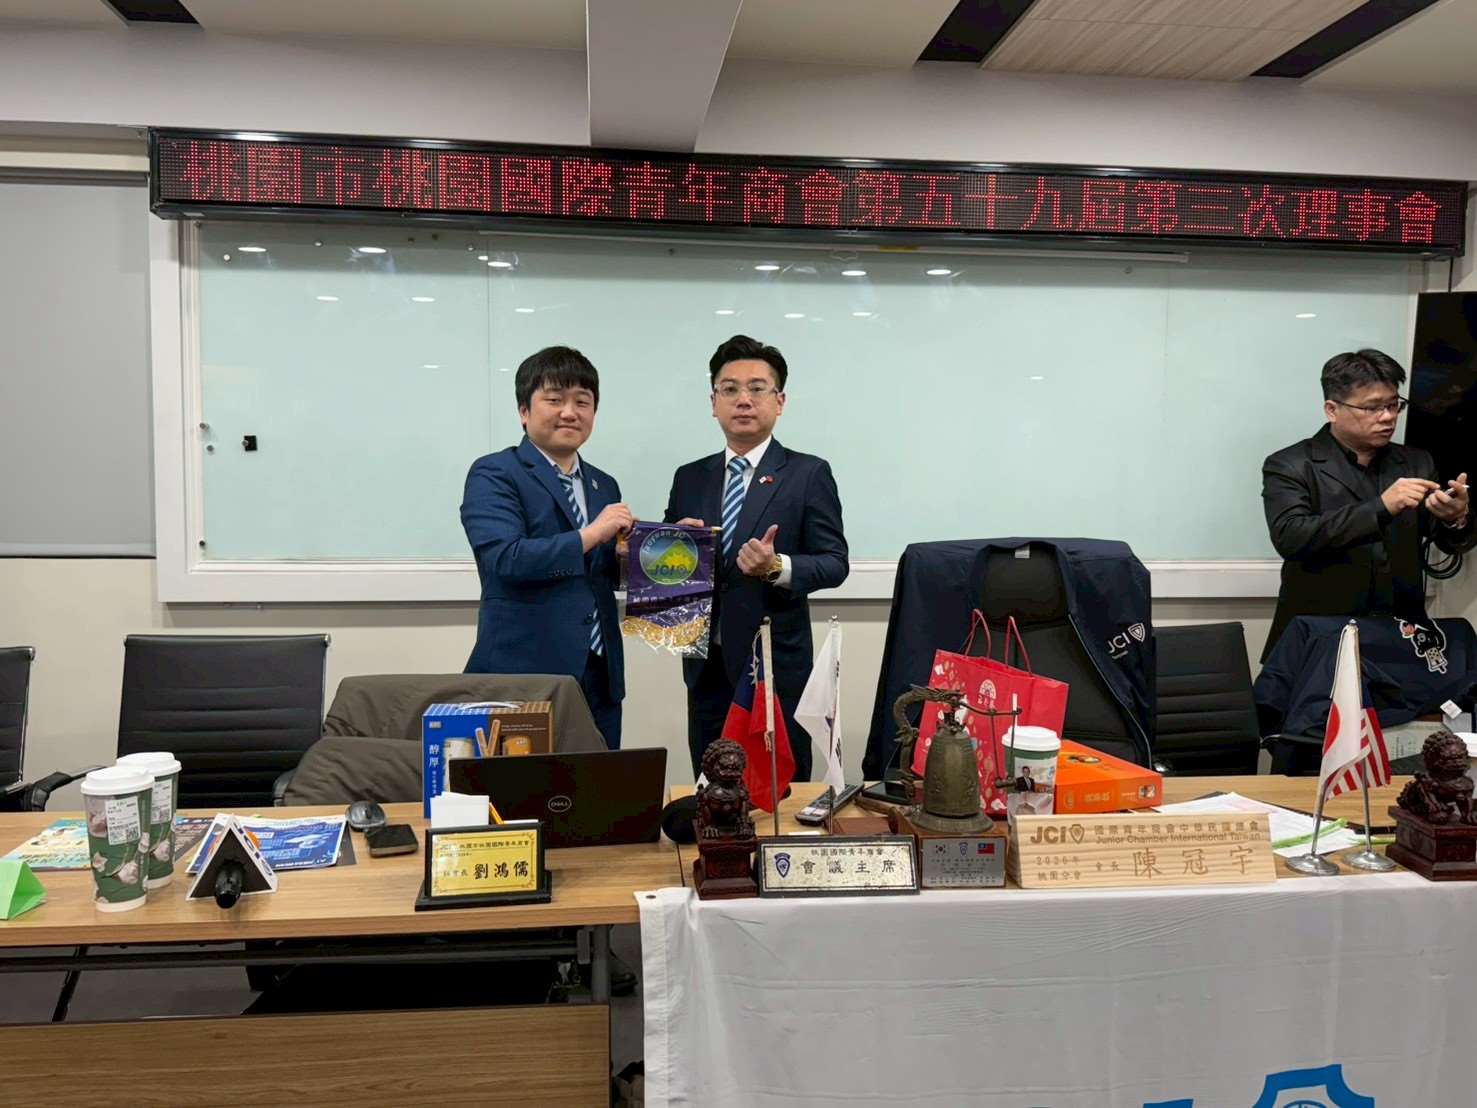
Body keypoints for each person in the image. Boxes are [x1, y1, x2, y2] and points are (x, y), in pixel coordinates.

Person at [665, 335, 849, 780]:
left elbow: (834, 562)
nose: (743, 400)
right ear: (713, 403)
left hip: (774, 667)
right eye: (729, 389)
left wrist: (777, 566)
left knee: (778, 789)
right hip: (706, 667)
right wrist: (673, 549)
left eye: (757, 388)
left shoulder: (807, 473)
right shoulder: (689, 477)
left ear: (779, 401)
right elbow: (669, 578)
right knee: (712, 788)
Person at [461, 346, 631, 749]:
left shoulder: (603, 484)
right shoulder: (495, 472)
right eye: (554, 399)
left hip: (600, 673)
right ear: (524, 411)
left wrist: (660, 551)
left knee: (602, 782)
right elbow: (506, 559)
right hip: (523, 674)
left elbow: (601, 574)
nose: (569, 412)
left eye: (582, 402)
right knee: (520, 785)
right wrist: (593, 534)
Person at [1261, 348, 1473, 661]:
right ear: (1332, 410)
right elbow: (1291, 537)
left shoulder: (1416, 461)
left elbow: (1445, 541)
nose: (1387, 417)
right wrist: (1381, 507)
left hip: (1399, 637)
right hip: (1319, 635)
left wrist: (1455, 518)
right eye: (1372, 407)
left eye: (1393, 405)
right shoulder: (1291, 464)